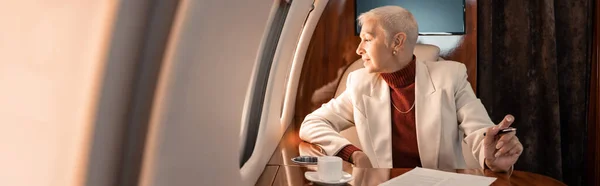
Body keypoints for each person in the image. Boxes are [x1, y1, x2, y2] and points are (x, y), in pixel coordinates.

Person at [298, 5, 522, 172]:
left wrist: (491, 153)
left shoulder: (451, 77)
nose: (359, 50)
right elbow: (312, 123)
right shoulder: (360, 83)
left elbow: (479, 130)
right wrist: (353, 154)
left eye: (366, 39)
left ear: (397, 42)